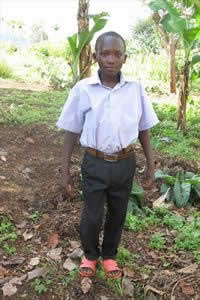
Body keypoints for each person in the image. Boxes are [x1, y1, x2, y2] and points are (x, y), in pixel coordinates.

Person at [56, 31, 159, 278]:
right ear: (95, 56)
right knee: (92, 213)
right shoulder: (84, 89)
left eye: (117, 54)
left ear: (125, 58)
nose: (111, 59)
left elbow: (144, 128)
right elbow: (71, 130)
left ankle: (110, 255)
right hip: (95, 161)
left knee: (118, 211)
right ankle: (91, 255)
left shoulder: (135, 89)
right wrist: (65, 169)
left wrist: (150, 165)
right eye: (105, 53)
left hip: (125, 162)